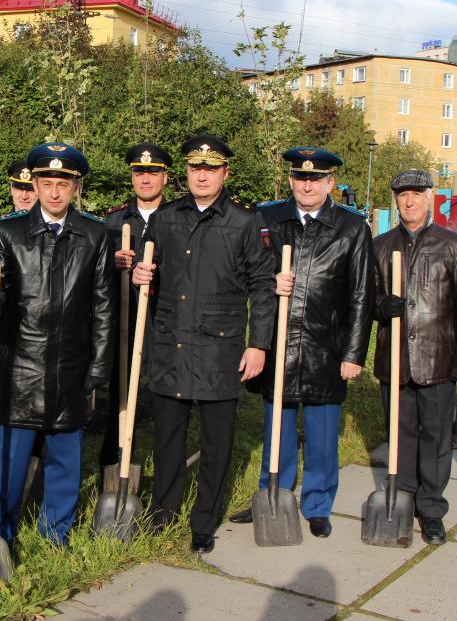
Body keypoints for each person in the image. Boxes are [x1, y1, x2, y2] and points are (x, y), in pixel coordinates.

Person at [132, 134, 276, 554]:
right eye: (196, 168)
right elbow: (149, 268)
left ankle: (204, 521)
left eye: (210, 169)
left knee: (216, 445)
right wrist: (142, 275)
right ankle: (163, 513)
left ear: (225, 173)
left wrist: (259, 344)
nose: (202, 175)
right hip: (171, 345)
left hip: (220, 350)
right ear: (186, 173)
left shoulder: (244, 222)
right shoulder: (166, 218)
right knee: (168, 440)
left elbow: (263, 285)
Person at [227, 147, 373, 538]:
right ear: (291, 180)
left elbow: (362, 296)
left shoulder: (352, 228)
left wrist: (354, 353)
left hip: (326, 345)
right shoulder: (269, 219)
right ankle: (273, 493)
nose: (307, 185)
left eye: (316, 179)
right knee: (278, 427)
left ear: (330, 183)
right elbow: (243, 271)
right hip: (278, 342)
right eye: (300, 178)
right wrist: (270, 283)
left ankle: (318, 504)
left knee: (323, 434)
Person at [0, 142, 114, 547]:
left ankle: (57, 533)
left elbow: (104, 305)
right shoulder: (8, 231)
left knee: (65, 461)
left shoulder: (94, 234)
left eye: (63, 184)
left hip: (70, 363)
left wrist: (99, 365)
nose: (54, 192)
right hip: (19, 363)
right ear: (33, 184)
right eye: (46, 182)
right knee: (7, 461)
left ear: (76, 186)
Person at [373, 169, 457, 545]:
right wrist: (384, 306)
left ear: (429, 197)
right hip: (396, 359)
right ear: (395, 200)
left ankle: (431, 509)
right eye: (402, 195)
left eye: (416, 194)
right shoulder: (381, 246)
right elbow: (366, 302)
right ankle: (403, 498)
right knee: (400, 434)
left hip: (438, 358)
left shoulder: (451, 246)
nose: (409, 201)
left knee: (435, 437)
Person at [99, 142, 171, 469]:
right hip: (123, 319)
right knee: (120, 395)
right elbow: (93, 270)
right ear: (132, 178)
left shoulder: (178, 219)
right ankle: (113, 461)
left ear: (165, 178)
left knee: (166, 397)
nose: (145, 179)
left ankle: (164, 464)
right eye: (139, 173)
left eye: (152, 173)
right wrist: (110, 262)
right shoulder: (111, 222)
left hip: (167, 321)